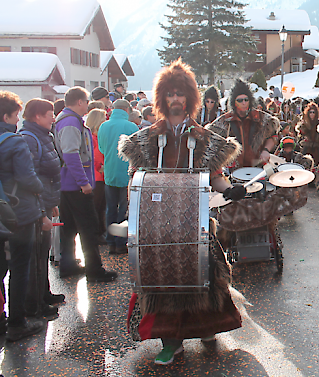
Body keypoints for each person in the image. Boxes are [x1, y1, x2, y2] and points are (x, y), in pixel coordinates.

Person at [119, 59, 244, 365]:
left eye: (181, 94)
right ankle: (171, 342)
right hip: (158, 226)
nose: (176, 99)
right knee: (162, 281)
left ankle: (207, 327)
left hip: (195, 222)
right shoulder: (146, 137)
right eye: (170, 94)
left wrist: (227, 188)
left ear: (189, 98)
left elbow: (214, 174)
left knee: (207, 274)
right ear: (162, 98)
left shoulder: (203, 137)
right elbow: (137, 178)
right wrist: (135, 214)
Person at [54, 87, 117, 282]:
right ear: (80, 102)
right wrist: (83, 182)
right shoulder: (71, 122)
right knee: (88, 227)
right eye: (86, 101)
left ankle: (69, 264)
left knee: (70, 227)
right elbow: (71, 154)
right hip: (76, 186)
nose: (87, 105)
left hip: (67, 184)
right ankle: (94, 270)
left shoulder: (67, 119)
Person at [0, 91, 48, 341]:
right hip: (17, 212)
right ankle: (17, 322)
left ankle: (1, 318)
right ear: (7, 115)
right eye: (15, 115)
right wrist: (42, 188)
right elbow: (27, 178)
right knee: (20, 268)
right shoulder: (14, 141)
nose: (17, 120)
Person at [19, 99, 65, 320]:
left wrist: (52, 203)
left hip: (45, 203)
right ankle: (34, 305)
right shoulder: (29, 139)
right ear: (37, 116)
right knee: (35, 257)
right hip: (36, 208)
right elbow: (30, 179)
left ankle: (43, 295)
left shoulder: (44, 136)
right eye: (49, 114)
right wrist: (40, 213)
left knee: (42, 253)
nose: (53, 118)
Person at [207, 79, 279, 169]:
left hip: (257, 167)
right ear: (234, 102)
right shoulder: (226, 119)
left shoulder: (260, 117)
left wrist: (266, 150)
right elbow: (210, 139)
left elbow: (273, 136)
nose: (244, 103)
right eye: (240, 100)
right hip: (233, 169)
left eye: (246, 99)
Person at [97, 99, 139, 255]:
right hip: (126, 174)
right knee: (124, 209)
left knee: (110, 209)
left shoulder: (103, 126)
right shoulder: (132, 127)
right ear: (127, 110)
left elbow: (101, 148)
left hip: (109, 173)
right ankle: (121, 242)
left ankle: (110, 241)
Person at [85, 109, 107, 244]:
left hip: (99, 176)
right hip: (97, 177)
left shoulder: (94, 137)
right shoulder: (92, 138)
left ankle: (98, 233)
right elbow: (95, 158)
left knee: (100, 207)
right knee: (96, 207)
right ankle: (96, 234)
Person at [296, 102, 319, 170]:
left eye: (313, 112)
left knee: (317, 165)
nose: (312, 114)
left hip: (317, 147)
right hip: (307, 146)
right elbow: (300, 134)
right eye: (310, 112)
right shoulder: (304, 123)